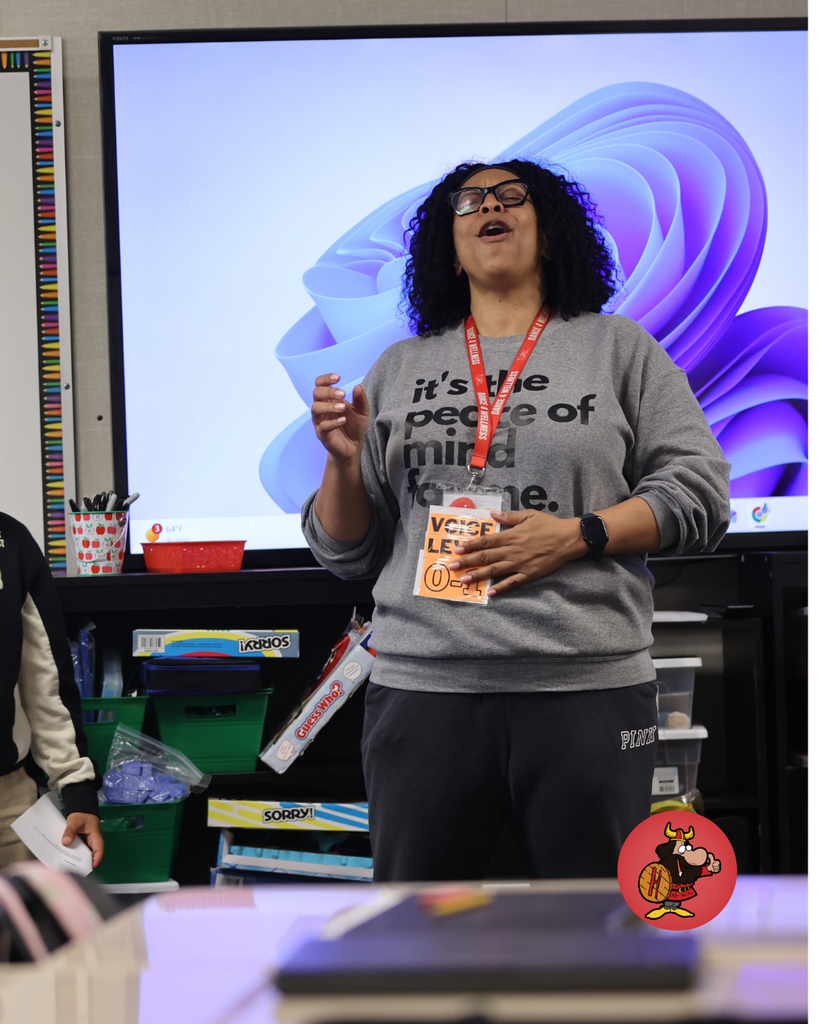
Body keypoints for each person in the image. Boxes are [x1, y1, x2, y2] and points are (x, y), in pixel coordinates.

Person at [302, 159, 730, 882]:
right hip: (424, 693)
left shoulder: (618, 349)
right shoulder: (398, 366)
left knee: (596, 928)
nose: (487, 209)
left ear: (551, 232)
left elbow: (700, 492)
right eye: (467, 203)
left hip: (583, 690)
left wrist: (578, 534)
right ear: (448, 243)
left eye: (510, 197)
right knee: (420, 930)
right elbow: (348, 551)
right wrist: (342, 462)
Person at [0, 511, 104, 870]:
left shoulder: (10, 540)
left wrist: (77, 789)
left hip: (7, 804)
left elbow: (45, 681)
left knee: (20, 927)